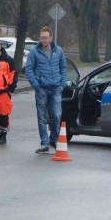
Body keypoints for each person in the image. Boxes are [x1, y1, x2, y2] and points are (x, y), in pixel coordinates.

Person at [25, 26, 67, 154]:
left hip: (56, 89)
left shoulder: (58, 51)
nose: (43, 39)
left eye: (46, 37)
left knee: (56, 115)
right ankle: (44, 144)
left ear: (51, 37)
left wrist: (62, 84)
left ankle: (53, 139)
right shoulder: (34, 52)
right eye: (42, 37)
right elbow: (29, 69)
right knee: (42, 117)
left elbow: (63, 68)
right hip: (41, 89)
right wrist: (36, 85)